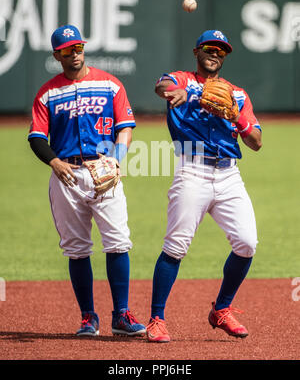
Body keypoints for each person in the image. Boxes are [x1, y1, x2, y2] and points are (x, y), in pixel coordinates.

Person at [28, 24, 145, 337]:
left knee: (118, 241)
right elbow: (37, 137)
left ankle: (121, 315)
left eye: (78, 47)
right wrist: (54, 162)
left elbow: (125, 126)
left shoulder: (110, 84)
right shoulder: (48, 92)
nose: (74, 54)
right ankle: (87, 317)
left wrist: (117, 158)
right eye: (67, 50)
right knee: (77, 249)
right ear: (57, 55)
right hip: (66, 175)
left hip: (103, 170)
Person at [146, 30, 262, 343]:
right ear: (197, 50)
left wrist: (236, 117)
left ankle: (221, 309)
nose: (215, 54)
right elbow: (161, 86)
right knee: (176, 247)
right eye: (210, 49)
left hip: (228, 175)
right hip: (192, 172)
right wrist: (185, 94)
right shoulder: (182, 79)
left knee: (247, 243)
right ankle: (157, 318)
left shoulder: (237, 94)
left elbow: (256, 142)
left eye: (221, 51)